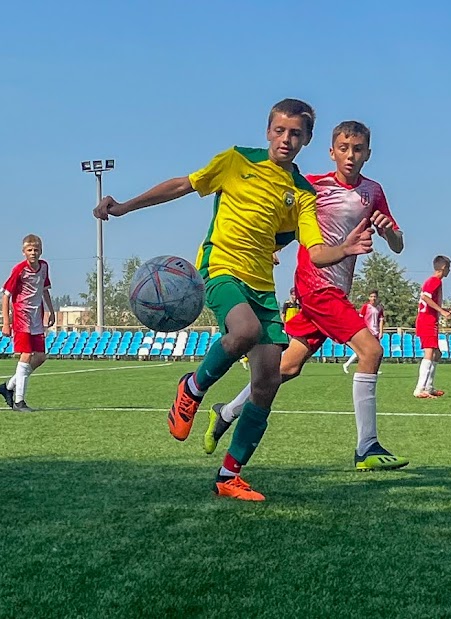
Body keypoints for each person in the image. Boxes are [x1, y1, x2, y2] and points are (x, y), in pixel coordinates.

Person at [94, 100, 374, 501]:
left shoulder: (302, 192)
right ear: (268, 131)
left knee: (267, 382)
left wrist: (344, 248)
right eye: (280, 130)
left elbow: (314, 250)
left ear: (308, 139)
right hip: (221, 268)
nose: (286, 139)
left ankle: (228, 476)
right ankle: (191, 387)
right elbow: (182, 185)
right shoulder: (236, 160)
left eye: (295, 133)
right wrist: (123, 207)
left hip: (262, 287)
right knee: (245, 331)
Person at [204, 120, 409, 473]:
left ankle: (225, 412)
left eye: (357, 149)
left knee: (286, 367)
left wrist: (391, 234)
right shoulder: (312, 184)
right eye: (343, 149)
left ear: (368, 154)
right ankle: (367, 446)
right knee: (371, 350)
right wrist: (266, 246)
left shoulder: (372, 192)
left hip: (335, 290)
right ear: (332, 152)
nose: (350, 155)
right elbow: (282, 213)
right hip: (316, 286)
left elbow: (399, 244)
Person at [0, 234, 55, 412]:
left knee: (40, 357)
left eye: (36, 249)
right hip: (21, 316)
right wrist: (6, 322)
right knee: (26, 355)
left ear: (41, 251)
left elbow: (44, 290)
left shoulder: (44, 266)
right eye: (29, 250)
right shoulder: (19, 270)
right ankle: (19, 402)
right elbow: (6, 296)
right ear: (24, 252)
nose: (33, 253)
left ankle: (8, 387)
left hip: (37, 316)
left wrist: (51, 311)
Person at [413, 255, 451, 398]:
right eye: (449, 267)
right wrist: (441, 311)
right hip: (426, 321)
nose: (450, 270)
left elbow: (428, 301)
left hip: (430, 320)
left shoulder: (436, 282)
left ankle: (429, 387)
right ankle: (419, 389)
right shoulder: (434, 281)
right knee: (429, 352)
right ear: (443, 268)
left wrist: (443, 309)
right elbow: (425, 297)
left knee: (437, 354)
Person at [343, 289, 384, 374]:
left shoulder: (379, 308)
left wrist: (381, 331)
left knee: (375, 351)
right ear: (369, 298)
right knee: (366, 350)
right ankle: (347, 364)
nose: (373, 298)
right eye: (371, 296)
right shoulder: (366, 307)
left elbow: (381, 320)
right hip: (368, 331)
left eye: (375, 297)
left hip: (375, 331)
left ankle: (374, 369)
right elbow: (360, 317)